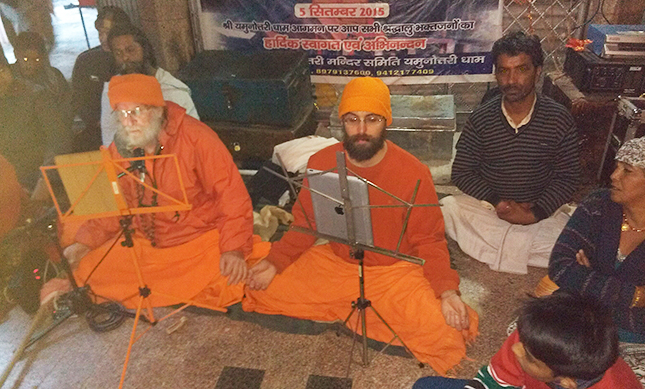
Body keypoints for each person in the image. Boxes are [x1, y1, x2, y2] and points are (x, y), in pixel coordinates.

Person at [244, 77, 479, 374]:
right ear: (342, 122)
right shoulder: (323, 160)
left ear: (386, 121)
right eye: (353, 120)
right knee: (260, 285)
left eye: (372, 119)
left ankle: (349, 310)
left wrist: (447, 292)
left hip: (394, 273)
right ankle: (349, 308)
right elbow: (306, 224)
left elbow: (430, 241)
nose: (362, 130)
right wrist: (276, 262)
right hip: (337, 264)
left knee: (445, 330)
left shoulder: (413, 172)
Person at [59, 74, 267, 309]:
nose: (129, 121)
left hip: (199, 242)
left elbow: (232, 197)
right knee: (87, 270)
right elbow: (118, 208)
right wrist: (85, 243)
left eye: (136, 111)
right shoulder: (121, 149)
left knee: (233, 277)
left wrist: (234, 249)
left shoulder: (197, 138)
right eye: (122, 114)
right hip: (149, 246)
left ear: (157, 110)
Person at [441, 31, 580, 274]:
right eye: (504, 71)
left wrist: (534, 213)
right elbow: (461, 171)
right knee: (448, 208)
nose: (511, 80)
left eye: (521, 70)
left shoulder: (558, 118)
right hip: (491, 210)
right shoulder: (482, 119)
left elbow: (567, 178)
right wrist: (499, 203)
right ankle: (520, 247)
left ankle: (497, 247)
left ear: (537, 72)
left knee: (579, 238)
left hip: (540, 212)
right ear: (496, 74)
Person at [413, 292, 642, 389]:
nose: (515, 348)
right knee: (425, 386)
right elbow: (494, 380)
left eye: (529, 358)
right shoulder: (532, 339)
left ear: (568, 382)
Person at [548, 135, 645, 345]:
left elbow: (574, 278)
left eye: (627, 171)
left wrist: (588, 279)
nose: (613, 176)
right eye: (616, 167)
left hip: (638, 335)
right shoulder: (599, 204)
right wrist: (637, 296)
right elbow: (560, 266)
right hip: (583, 316)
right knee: (527, 334)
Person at [99, 23, 199, 147]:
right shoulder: (112, 90)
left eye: (130, 50)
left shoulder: (173, 90)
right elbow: (110, 140)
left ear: (145, 50)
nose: (125, 57)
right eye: (118, 53)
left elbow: (194, 139)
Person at [0, 58, 70, 190]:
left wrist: (45, 179)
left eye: (2, 70)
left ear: (10, 69)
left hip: (37, 175)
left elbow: (59, 139)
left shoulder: (36, 96)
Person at [71, 6, 131, 152]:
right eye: (100, 32)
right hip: (97, 130)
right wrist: (98, 121)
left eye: (108, 32)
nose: (102, 37)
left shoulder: (133, 59)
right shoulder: (86, 61)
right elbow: (79, 99)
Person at [10, 31, 71, 127]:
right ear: (16, 54)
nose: (30, 65)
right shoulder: (7, 79)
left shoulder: (53, 77)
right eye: (25, 59)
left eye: (36, 60)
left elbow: (67, 106)